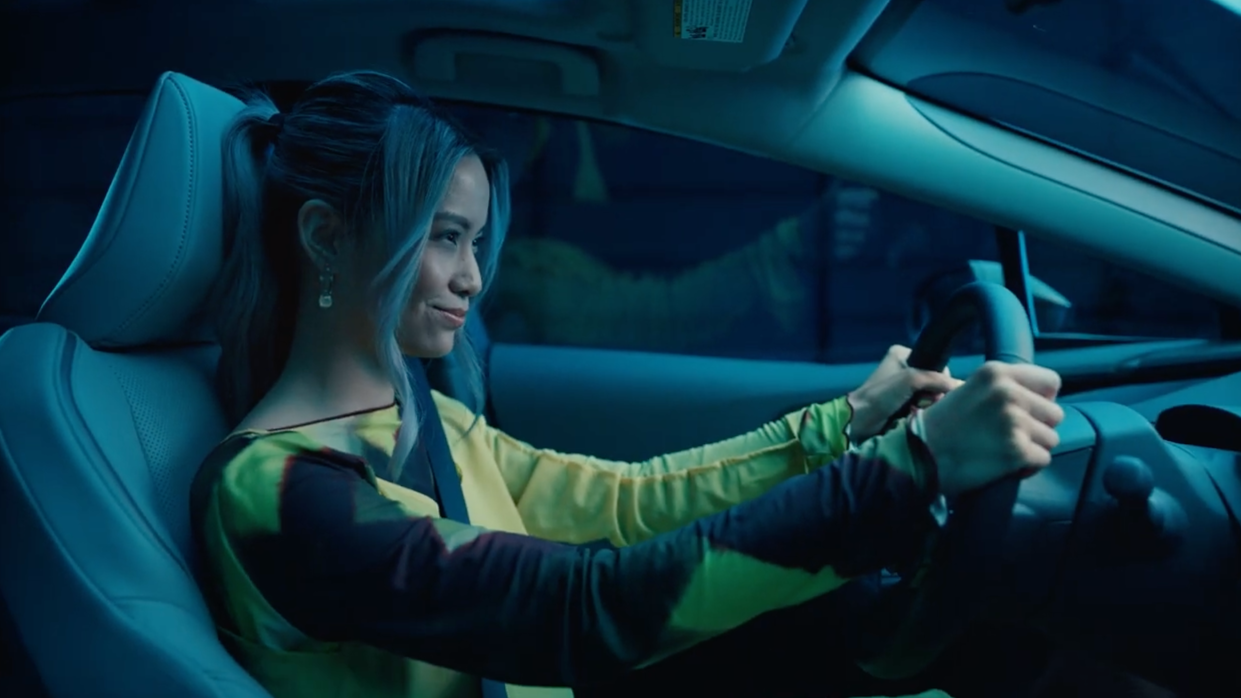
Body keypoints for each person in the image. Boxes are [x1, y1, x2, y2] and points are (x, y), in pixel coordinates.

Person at [191, 71, 1066, 698]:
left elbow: (622, 502)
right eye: (444, 237)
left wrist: (843, 425)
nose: (472, 279)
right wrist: (909, 467)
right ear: (324, 236)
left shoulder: (420, 411)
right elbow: (583, 610)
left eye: (476, 243)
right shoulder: (278, 493)